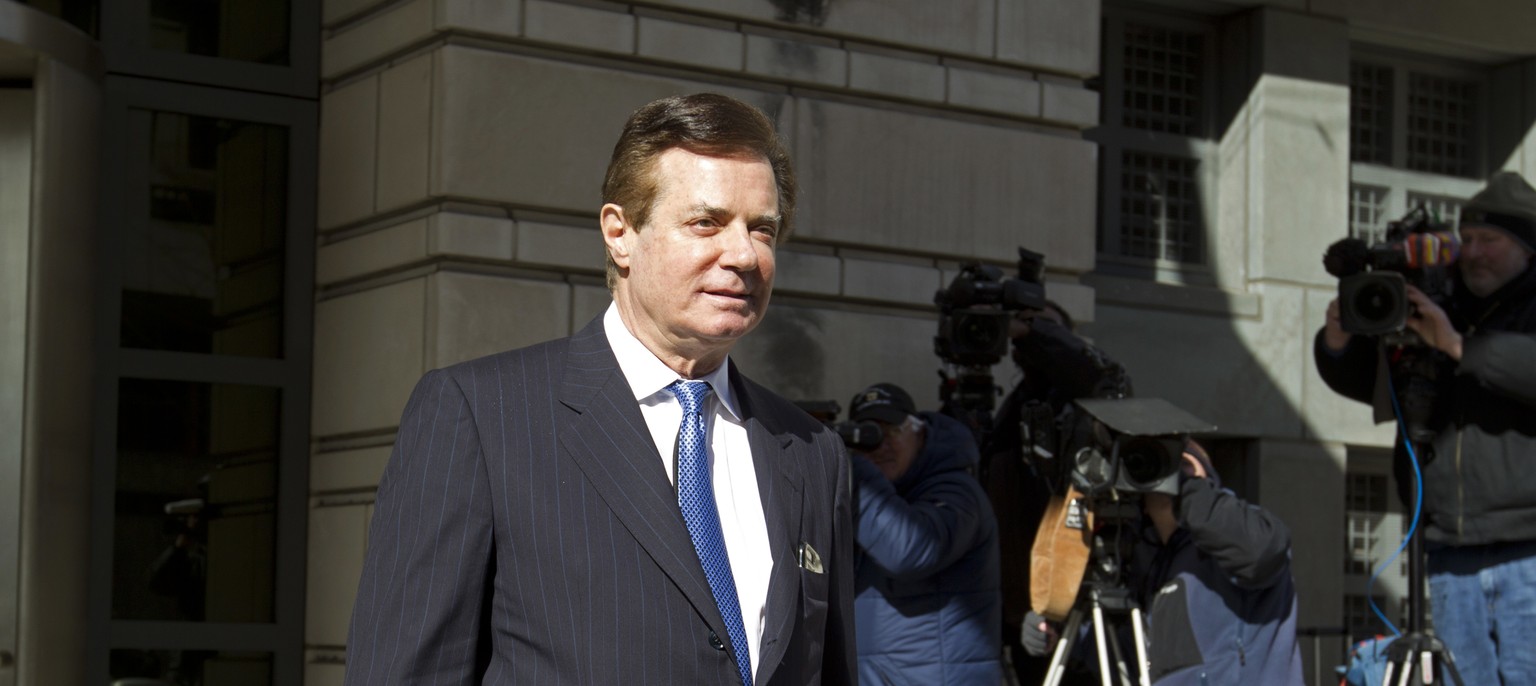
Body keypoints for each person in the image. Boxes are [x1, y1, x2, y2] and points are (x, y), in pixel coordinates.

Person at [342, 93, 856, 685]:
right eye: (705, 222)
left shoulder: (813, 453)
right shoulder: (480, 418)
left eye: (761, 229)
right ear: (620, 233)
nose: (742, 254)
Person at [1315, 170, 1536, 685]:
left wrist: (1458, 345)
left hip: (1527, 543)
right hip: (1449, 543)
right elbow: (1376, 383)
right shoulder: (1439, 300)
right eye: (1470, 239)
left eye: (1492, 240)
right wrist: (1339, 340)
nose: (1475, 252)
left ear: (1527, 249)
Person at [1022, 441, 1303, 685]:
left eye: (1184, 465)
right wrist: (1060, 631)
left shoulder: (1238, 535)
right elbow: (1132, 659)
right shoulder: (1151, 562)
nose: (1170, 475)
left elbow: (1263, 552)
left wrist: (1189, 492)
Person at [980, 302, 1131, 684]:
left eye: (1045, 329)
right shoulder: (1014, 410)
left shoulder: (1088, 407)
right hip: (1017, 612)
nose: (1026, 337)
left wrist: (1031, 331)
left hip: (1072, 606)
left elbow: (1107, 378)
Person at [847, 381, 1002, 684]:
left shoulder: (957, 491)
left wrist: (851, 470)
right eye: (868, 437)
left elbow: (911, 552)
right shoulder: (864, 494)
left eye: (890, 431)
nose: (881, 447)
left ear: (919, 432)